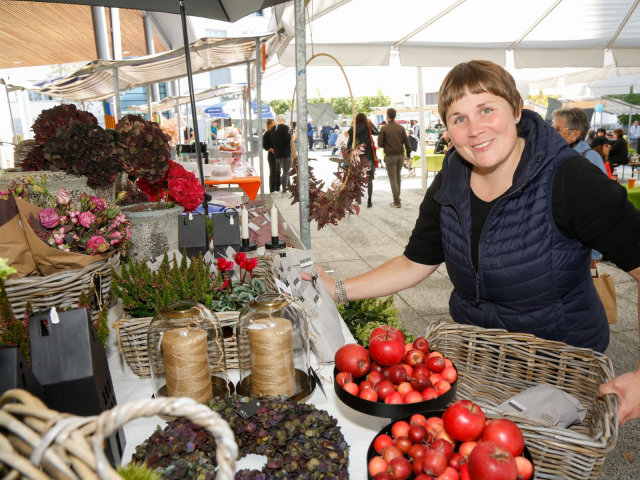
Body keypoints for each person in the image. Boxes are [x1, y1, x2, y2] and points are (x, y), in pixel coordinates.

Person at [305, 60, 640, 425]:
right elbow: (416, 260)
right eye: (458, 118)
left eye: (486, 110)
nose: (475, 129)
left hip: (559, 372)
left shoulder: (569, 179)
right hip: (480, 365)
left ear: (515, 110)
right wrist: (335, 289)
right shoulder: (452, 176)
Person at [552, 108, 607, 265]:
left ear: (574, 134)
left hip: (580, 240)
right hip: (558, 237)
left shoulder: (589, 157)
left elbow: (600, 205)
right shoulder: (556, 154)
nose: (552, 133)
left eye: (557, 129)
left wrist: (594, 251)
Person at [377, 108, 412, 208]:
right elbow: (407, 142)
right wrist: (408, 154)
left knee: (392, 179)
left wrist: (387, 145)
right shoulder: (401, 128)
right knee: (398, 177)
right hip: (400, 155)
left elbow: (379, 143)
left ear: (387, 116)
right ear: (395, 116)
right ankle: (397, 198)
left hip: (390, 155)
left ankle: (397, 201)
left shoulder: (384, 128)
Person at [347, 113, 378, 208]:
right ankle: (369, 200)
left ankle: (357, 197)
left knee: (357, 177)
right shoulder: (368, 128)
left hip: (357, 157)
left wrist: (349, 155)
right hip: (368, 156)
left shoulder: (353, 130)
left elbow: (349, 144)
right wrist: (371, 124)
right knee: (369, 179)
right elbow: (377, 132)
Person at [273, 114, 292, 195]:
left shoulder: (274, 129)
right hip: (285, 153)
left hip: (278, 153)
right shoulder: (285, 128)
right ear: (284, 121)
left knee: (286, 171)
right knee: (286, 172)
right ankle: (284, 190)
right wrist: (291, 132)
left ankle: (289, 187)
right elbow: (288, 139)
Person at [262, 118, 280, 194]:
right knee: (273, 171)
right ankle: (272, 189)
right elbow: (264, 145)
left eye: (275, 123)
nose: (275, 124)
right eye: (273, 123)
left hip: (279, 154)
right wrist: (270, 149)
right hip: (272, 155)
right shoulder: (267, 133)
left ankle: (278, 188)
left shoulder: (277, 133)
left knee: (279, 171)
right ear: (269, 125)